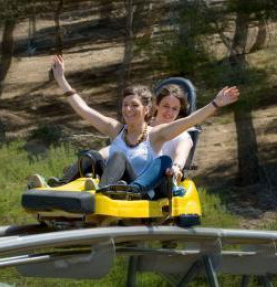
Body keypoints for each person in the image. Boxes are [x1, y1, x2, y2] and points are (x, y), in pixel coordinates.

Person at [31, 55, 240, 198]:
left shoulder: (157, 134)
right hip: (116, 183)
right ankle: (58, 187)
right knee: (92, 156)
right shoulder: (116, 129)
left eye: (134, 106)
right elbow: (84, 110)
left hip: (136, 188)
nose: (128, 110)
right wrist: (61, 79)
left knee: (122, 157)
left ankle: (103, 193)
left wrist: (216, 104)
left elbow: (190, 121)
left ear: (147, 109)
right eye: (125, 105)